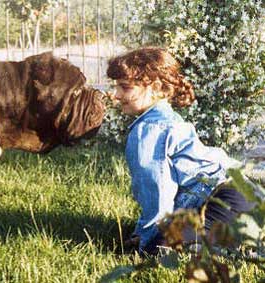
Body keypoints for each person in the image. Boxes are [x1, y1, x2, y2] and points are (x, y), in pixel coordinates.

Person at [106, 47, 255, 254]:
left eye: (125, 87)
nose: (116, 95)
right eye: (116, 87)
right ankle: (236, 240)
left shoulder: (147, 130)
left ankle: (223, 249)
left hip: (224, 203)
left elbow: (157, 194)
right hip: (244, 196)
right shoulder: (167, 117)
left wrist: (144, 239)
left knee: (155, 248)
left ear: (156, 87)